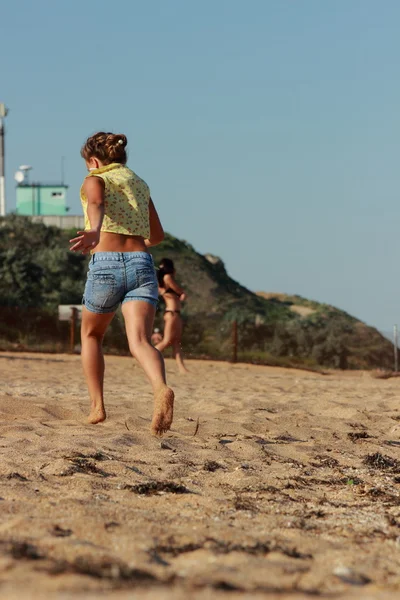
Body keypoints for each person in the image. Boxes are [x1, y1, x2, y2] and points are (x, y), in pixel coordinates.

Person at [69, 131, 174, 436]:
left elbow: (97, 202)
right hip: (142, 264)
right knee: (140, 341)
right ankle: (160, 388)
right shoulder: (140, 185)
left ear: (93, 160)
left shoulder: (95, 177)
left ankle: (97, 407)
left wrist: (95, 231)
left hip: (107, 264)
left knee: (91, 335)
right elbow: (156, 236)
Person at [155, 258, 189, 373]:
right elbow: (179, 290)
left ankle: (182, 368)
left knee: (176, 342)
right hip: (171, 313)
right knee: (166, 341)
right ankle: (145, 358)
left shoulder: (162, 281)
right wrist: (182, 293)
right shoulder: (167, 278)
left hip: (175, 313)